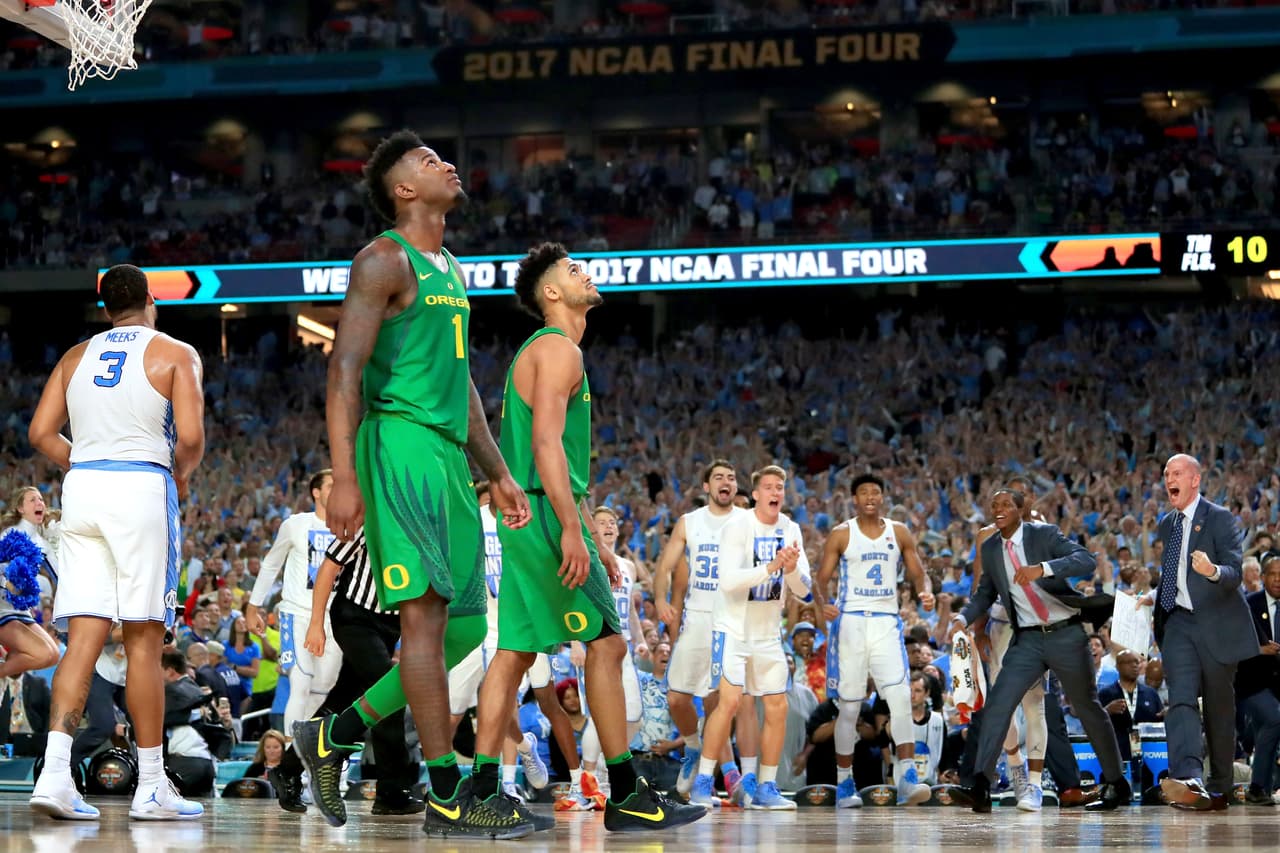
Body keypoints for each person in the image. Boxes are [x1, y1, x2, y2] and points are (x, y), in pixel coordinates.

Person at [298, 130, 533, 838]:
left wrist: (496, 470)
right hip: (398, 444)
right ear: (404, 191)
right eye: (429, 162)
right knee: (425, 623)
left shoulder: (450, 266)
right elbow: (342, 371)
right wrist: (343, 474)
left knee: (463, 629)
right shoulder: (381, 258)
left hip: (449, 456)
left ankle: (332, 733)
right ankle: (446, 793)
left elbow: (461, 383)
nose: (448, 165)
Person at [470, 241, 704, 833]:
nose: (586, 272)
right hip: (547, 513)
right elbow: (547, 445)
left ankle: (476, 790)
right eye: (573, 269)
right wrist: (574, 530)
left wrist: (589, 534)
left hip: (533, 512)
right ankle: (625, 791)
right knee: (608, 645)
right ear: (552, 293)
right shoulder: (557, 350)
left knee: (515, 652)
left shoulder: (549, 351)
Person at [27, 263, 205, 821]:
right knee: (144, 641)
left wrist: (82, 462)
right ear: (151, 301)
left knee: (83, 636)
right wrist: (174, 479)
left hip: (84, 488)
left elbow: (39, 433)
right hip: (140, 484)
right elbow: (193, 439)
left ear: (105, 308)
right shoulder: (175, 352)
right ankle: (151, 786)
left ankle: (56, 774)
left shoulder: (74, 357)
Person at [949, 488, 1129, 813]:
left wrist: (1043, 568)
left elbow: (1085, 559)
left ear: (1020, 510)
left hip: (1066, 632)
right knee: (999, 702)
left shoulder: (1043, 534)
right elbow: (986, 591)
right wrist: (963, 617)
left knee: (1087, 706)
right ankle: (980, 786)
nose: (999, 509)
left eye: (1006, 504)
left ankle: (1117, 783)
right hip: (1028, 638)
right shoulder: (990, 548)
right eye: (995, 504)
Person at [690, 464, 810, 810]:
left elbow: (804, 591)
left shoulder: (791, 529)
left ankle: (767, 787)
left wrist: (789, 571)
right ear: (755, 494)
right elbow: (727, 581)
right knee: (727, 703)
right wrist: (771, 567)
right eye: (769, 487)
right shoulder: (737, 525)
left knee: (777, 706)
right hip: (732, 628)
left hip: (768, 633)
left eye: (780, 487)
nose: (775, 492)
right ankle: (703, 781)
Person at [812, 472, 934, 809]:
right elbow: (820, 579)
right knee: (850, 707)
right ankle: (844, 783)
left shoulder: (899, 531)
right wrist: (825, 605)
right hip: (850, 622)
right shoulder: (842, 534)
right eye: (863, 492)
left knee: (899, 698)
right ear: (854, 499)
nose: (870, 497)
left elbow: (917, 570)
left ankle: (907, 777)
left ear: (882, 497)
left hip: (885, 622)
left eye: (875, 492)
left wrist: (925, 591)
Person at [443, 483, 562, 807]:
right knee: (452, 711)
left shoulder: (530, 521)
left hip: (512, 626)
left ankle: (498, 783)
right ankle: (524, 747)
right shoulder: (469, 519)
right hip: (473, 622)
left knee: (496, 701)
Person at [1149, 454, 1254, 810]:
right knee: (1179, 696)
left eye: (1176, 473)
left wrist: (1212, 571)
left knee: (1219, 711)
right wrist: (1150, 596)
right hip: (1178, 622)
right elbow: (1174, 576)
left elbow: (1235, 571)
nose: (1169, 480)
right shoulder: (1167, 524)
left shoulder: (1220, 518)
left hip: (1216, 624)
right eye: (1166, 474)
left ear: (1195, 479)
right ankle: (1188, 776)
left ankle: (1221, 784)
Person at [652, 460, 754, 797]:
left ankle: (729, 776)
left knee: (717, 703)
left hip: (732, 619)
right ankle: (694, 747)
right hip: (697, 617)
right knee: (677, 698)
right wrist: (660, 599)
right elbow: (665, 566)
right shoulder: (689, 522)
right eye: (718, 477)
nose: (726, 481)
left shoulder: (748, 521)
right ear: (706, 487)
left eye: (731, 476)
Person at [245, 469, 341, 743]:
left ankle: (305, 750)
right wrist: (254, 606)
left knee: (323, 689)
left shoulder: (351, 527)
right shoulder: (296, 524)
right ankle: (290, 756)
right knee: (301, 682)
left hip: (333, 619)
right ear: (316, 492)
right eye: (331, 485)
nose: (338, 490)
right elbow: (271, 564)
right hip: (296, 614)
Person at [577, 506, 647, 796]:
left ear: (618, 531)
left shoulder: (627, 567)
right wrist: (574, 644)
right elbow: (573, 603)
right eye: (600, 522)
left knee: (634, 715)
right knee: (600, 714)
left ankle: (606, 764)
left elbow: (630, 609)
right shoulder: (586, 558)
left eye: (611, 522)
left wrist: (641, 637)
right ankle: (588, 777)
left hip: (625, 646)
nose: (607, 526)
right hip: (595, 644)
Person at [1234, 551, 1280, 804]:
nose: (1277, 579)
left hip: (1277, 684)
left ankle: (1263, 787)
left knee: (1269, 729)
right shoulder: (1249, 604)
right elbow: (1232, 643)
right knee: (1275, 719)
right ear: (1262, 577)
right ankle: (1258, 786)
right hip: (1251, 682)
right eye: (1272, 574)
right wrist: (1259, 649)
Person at [2, 485, 65, 624]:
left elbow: (61, 577)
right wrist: (6, 584)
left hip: (20, 608)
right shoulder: (9, 534)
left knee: (51, 647)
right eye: (32, 500)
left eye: (41, 499)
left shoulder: (43, 544)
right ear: (20, 509)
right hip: (3, 603)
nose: (39, 503)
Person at [1097, 649, 1162, 763]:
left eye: (1136, 662)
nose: (1134, 666)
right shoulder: (1105, 694)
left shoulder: (1151, 693)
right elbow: (1094, 722)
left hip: (1149, 756)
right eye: (1128, 662)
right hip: (1117, 755)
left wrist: (1165, 714)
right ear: (1117, 666)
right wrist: (1107, 711)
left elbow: (1159, 722)